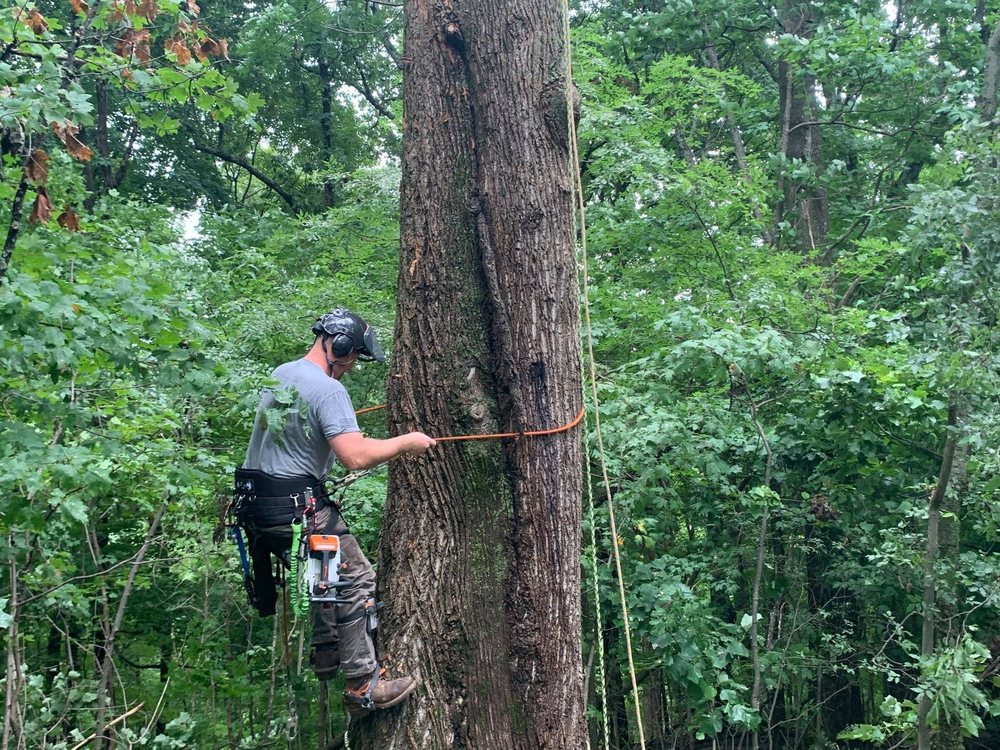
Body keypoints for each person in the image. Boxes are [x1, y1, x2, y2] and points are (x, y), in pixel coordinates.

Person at [234, 307, 436, 716]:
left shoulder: (282, 374)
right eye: (351, 357)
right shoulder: (328, 391)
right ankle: (362, 685)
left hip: (258, 509)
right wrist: (407, 442)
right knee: (357, 578)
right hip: (295, 508)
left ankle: (327, 651)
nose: (350, 366)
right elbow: (355, 457)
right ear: (336, 344)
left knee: (324, 571)